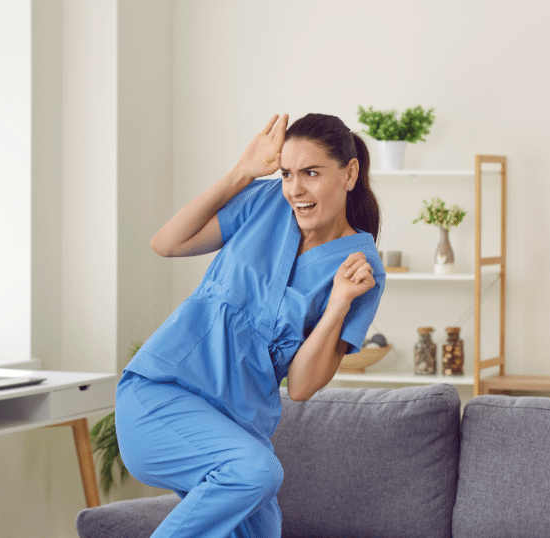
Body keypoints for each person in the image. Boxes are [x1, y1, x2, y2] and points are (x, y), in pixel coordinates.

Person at [115, 113, 384, 538]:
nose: (296, 189)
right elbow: (166, 243)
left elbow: (301, 386)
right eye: (288, 174)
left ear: (349, 174)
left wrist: (336, 305)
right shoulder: (266, 202)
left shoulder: (361, 270)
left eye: (311, 173)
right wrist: (242, 171)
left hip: (234, 428)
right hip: (161, 394)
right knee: (257, 472)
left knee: (261, 527)